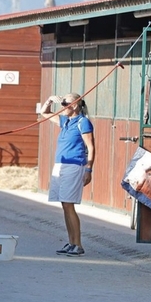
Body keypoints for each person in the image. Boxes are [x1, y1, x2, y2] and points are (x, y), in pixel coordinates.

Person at [39, 92, 95, 257]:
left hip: (74, 165)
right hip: (60, 165)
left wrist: (88, 169)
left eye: (65, 104)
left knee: (69, 205)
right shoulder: (65, 121)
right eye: (61, 103)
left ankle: (78, 244)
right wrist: (49, 100)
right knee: (64, 205)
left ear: (75, 105)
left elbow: (91, 147)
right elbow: (44, 113)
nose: (62, 107)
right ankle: (71, 243)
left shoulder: (83, 122)